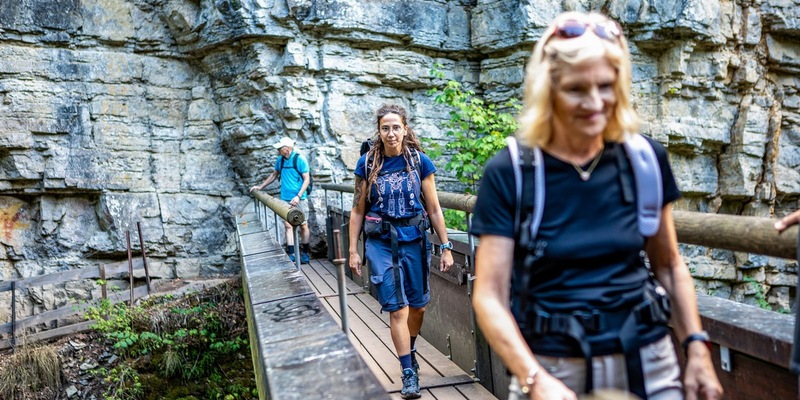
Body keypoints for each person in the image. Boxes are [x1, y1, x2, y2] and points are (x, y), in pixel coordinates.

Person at [470, 12, 723, 400]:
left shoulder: (643, 160)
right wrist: (534, 379)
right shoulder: (513, 172)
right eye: (576, 89)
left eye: (606, 86)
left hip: (648, 358)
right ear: (548, 90)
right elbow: (489, 294)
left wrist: (696, 346)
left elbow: (669, 265)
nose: (595, 103)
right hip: (552, 367)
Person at [348, 104, 454, 399]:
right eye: (385, 128)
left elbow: (433, 207)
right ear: (379, 131)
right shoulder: (367, 163)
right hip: (381, 242)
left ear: (405, 128)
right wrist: (353, 250)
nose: (391, 133)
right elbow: (357, 210)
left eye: (396, 127)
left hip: (414, 239)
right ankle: (408, 372)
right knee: (398, 308)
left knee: (418, 307)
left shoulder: (419, 161)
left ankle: (410, 345)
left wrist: (445, 247)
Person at [250, 137, 312, 264]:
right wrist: (260, 187)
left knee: (303, 225)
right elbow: (274, 175)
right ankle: (292, 254)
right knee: (288, 225)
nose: (278, 150)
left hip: (300, 198)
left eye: (280, 148)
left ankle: (305, 253)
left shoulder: (300, 159)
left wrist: (299, 196)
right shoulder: (280, 160)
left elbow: (307, 179)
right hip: (285, 197)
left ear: (287, 149)